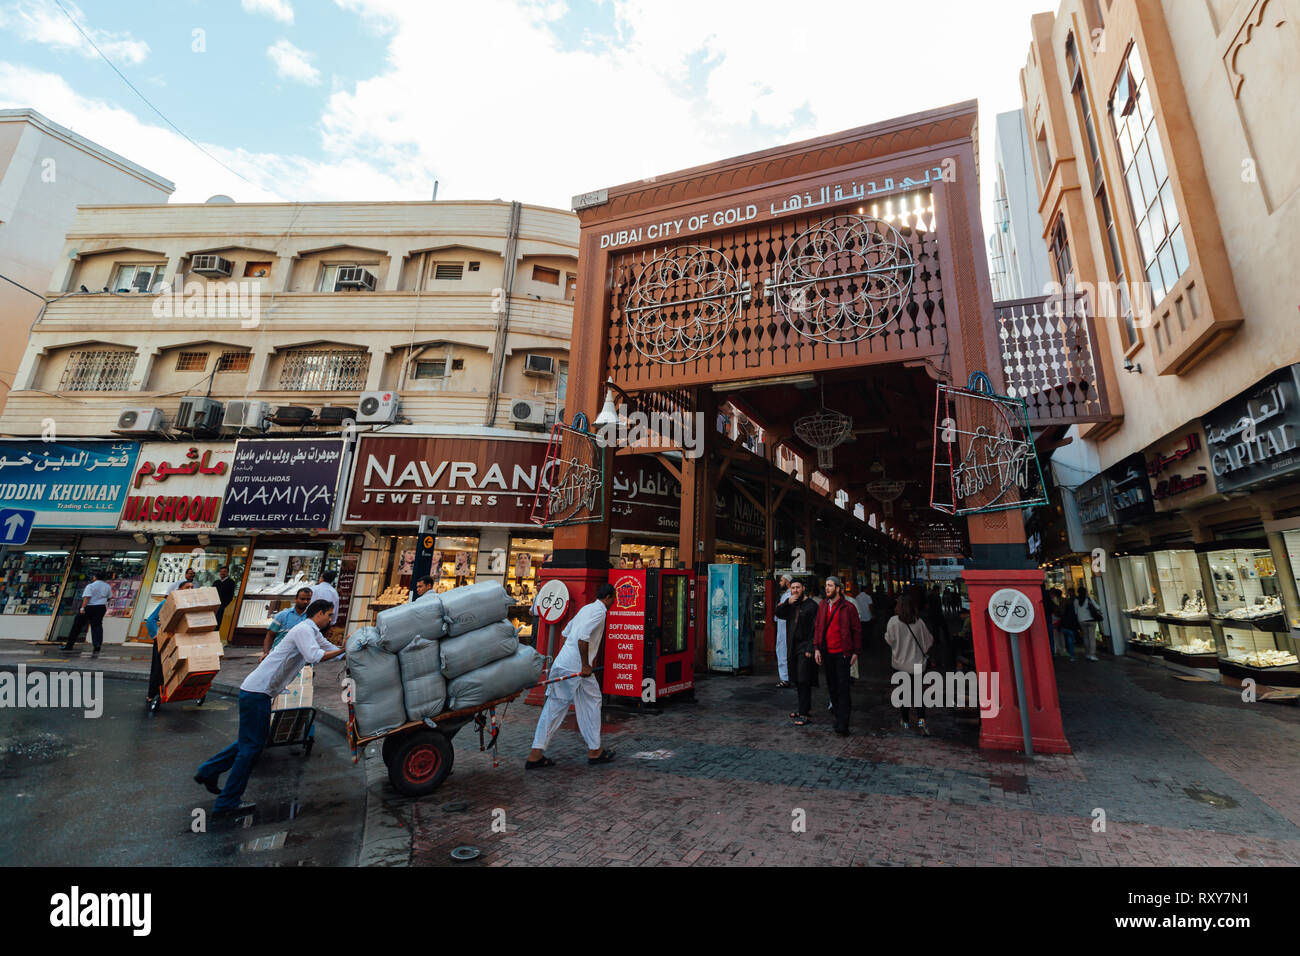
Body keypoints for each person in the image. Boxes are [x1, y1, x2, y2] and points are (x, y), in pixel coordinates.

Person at [194, 600, 344, 817]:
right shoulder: (303, 630)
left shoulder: (312, 631)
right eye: (329, 615)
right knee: (251, 748)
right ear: (319, 613)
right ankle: (227, 802)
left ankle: (209, 770)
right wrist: (345, 648)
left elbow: (335, 652)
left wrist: (352, 647)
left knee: (252, 741)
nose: (331, 619)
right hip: (257, 693)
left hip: (258, 692)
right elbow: (315, 657)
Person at [525, 583, 617, 768]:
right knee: (563, 706)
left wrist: (571, 659)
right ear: (608, 598)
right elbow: (583, 638)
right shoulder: (599, 612)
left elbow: (567, 633)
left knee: (585, 701)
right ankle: (591, 751)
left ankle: (594, 749)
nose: (613, 602)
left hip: (564, 662)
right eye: (613, 599)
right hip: (576, 669)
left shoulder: (586, 609)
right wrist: (584, 665)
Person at [812, 576, 862, 736]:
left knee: (843, 689)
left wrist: (856, 652)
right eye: (826, 585)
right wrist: (817, 648)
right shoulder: (822, 606)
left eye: (830, 585)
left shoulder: (848, 607)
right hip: (827, 653)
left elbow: (856, 630)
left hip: (843, 653)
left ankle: (843, 723)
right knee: (832, 687)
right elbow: (818, 627)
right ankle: (838, 716)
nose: (827, 588)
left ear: (838, 588)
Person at [884, 594, 935, 734]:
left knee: (904, 695)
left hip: (899, 665)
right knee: (919, 696)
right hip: (917, 664)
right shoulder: (919, 622)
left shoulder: (893, 622)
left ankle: (905, 721)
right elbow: (929, 641)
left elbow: (890, 640)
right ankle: (922, 723)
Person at [774, 579, 819, 725]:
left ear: (803, 588)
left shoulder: (812, 606)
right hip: (792, 646)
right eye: (793, 588)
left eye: (798, 587)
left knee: (804, 679)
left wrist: (811, 648)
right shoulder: (791, 604)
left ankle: (805, 713)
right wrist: (787, 603)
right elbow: (778, 613)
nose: (795, 590)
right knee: (797, 680)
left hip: (805, 647)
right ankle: (802, 708)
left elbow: (816, 629)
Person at [146, 580, 194, 702]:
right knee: (158, 668)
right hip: (164, 640)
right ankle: (151, 695)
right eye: (187, 587)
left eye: (192, 587)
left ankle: (170, 691)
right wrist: (155, 635)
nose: (190, 589)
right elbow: (151, 619)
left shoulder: (191, 605)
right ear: (179, 590)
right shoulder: (167, 602)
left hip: (180, 640)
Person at [62, 570, 112, 654]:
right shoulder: (107, 586)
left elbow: (87, 597)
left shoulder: (91, 586)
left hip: (89, 607)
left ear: (95, 577)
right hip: (100, 608)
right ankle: (97, 646)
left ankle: (69, 645)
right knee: (97, 626)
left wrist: (82, 608)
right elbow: (109, 597)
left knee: (77, 626)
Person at [263, 587, 314, 656]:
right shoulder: (282, 615)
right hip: (279, 656)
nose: (305, 601)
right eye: (302, 599)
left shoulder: (312, 616)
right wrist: (266, 653)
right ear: (295, 599)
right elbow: (270, 635)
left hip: (300, 658)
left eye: (308, 599)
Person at [1074, 585, 1103, 661]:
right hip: (1091, 620)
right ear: (1085, 592)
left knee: (1086, 637)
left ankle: (1087, 654)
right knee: (1092, 638)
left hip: (1081, 621)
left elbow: (1076, 612)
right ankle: (1092, 655)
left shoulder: (1076, 600)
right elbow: (1098, 607)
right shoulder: (1089, 599)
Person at [773, 574, 793, 688]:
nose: (780, 583)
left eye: (782, 580)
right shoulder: (785, 595)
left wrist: (780, 607)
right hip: (782, 628)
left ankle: (785, 678)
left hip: (785, 628)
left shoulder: (789, 595)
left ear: (787, 582)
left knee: (783, 652)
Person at [1057, 588, 1078, 661]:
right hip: (1071, 627)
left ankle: (1069, 653)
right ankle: (1072, 656)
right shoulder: (1073, 610)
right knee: (1070, 641)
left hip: (1065, 627)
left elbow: (1062, 617)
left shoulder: (1064, 610)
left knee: (1067, 640)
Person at [214, 565, 238, 629]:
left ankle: (215, 637)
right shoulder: (216, 582)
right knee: (212, 622)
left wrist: (223, 606)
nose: (222, 573)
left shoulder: (231, 582)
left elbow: (230, 596)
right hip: (214, 605)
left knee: (217, 623)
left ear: (227, 573)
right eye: (221, 571)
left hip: (222, 606)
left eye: (224, 571)